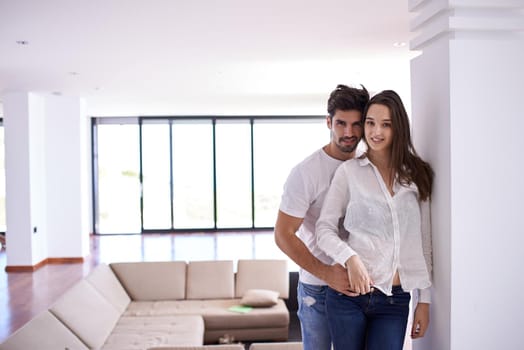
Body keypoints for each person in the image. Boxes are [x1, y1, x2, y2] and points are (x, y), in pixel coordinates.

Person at [315, 89, 433, 350]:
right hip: (348, 297)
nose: (375, 131)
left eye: (386, 124)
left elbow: (424, 242)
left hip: (396, 300)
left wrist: (424, 301)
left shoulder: (417, 175)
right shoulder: (349, 172)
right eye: (370, 123)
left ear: (398, 128)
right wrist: (350, 258)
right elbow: (324, 229)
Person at [274, 84, 370, 350]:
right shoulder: (306, 172)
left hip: (362, 285)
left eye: (356, 124)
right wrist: (327, 273)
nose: (348, 132)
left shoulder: (369, 164)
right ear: (328, 122)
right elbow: (283, 235)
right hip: (318, 289)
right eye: (341, 123)